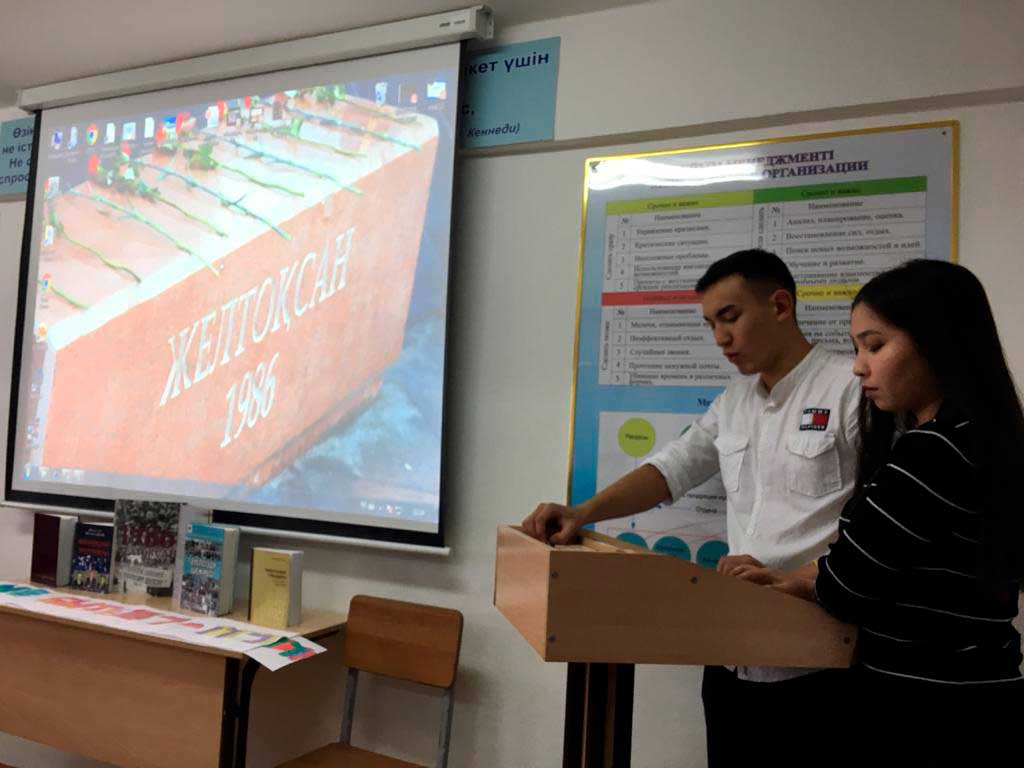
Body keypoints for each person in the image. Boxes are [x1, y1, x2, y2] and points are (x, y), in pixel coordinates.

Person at [521, 248, 862, 765]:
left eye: (730, 317)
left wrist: (805, 577)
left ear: (780, 306)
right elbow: (671, 469)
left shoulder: (850, 389)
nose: (720, 338)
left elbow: (885, 526)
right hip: (731, 657)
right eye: (710, 324)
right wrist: (582, 513)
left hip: (819, 666)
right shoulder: (735, 401)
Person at [742, 260, 1024, 765]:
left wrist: (809, 581)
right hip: (984, 690)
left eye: (874, 346)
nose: (858, 367)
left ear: (936, 341)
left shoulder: (931, 451)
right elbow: (883, 563)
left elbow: (849, 586)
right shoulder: (985, 439)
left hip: (919, 706)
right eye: (856, 349)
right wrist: (794, 578)